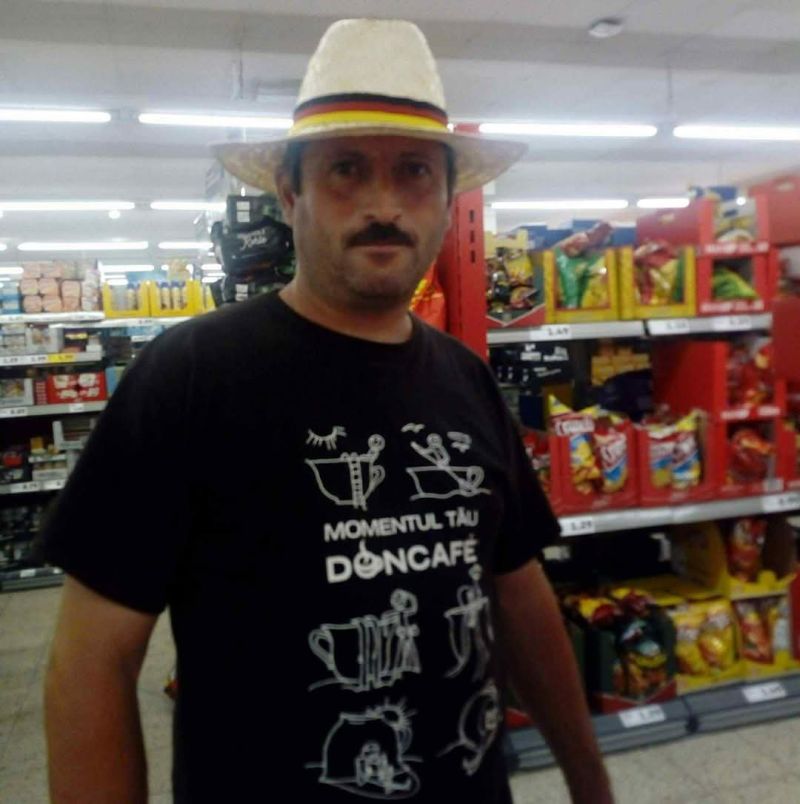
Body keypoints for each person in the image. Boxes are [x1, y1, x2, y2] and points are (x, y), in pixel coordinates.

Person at [42, 18, 613, 804]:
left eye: (415, 171)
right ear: (289, 193)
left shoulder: (467, 380)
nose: (384, 204)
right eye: (347, 168)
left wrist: (590, 780)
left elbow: (517, 593)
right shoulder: (189, 377)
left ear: (449, 198)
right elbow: (90, 662)